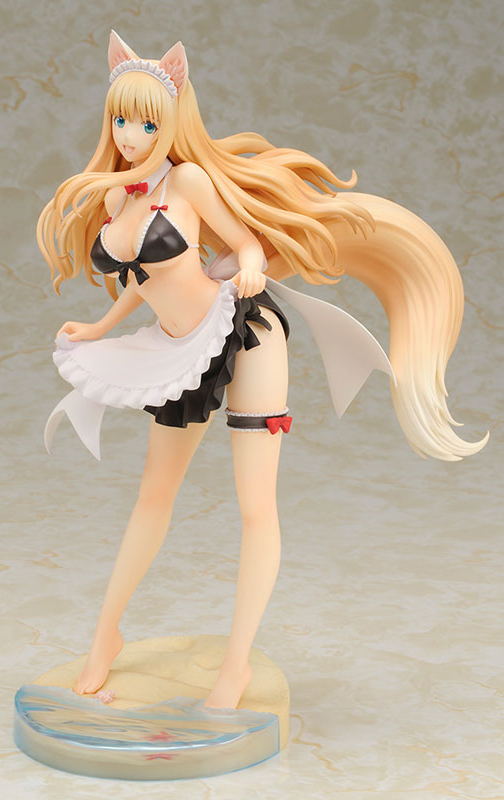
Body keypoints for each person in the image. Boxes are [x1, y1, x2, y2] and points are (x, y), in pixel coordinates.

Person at [37, 32, 488, 710]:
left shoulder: (188, 182)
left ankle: (236, 664)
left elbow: (245, 243)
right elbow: (141, 278)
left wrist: (249, 266)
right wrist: (100, 328)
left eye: (148, 124)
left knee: (255, 506)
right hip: (179, 350)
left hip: (245, 335)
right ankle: (107, 634)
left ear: (173, 121)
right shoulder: (117, 199)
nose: (131, 136)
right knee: (153, 495)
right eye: (121, 120)